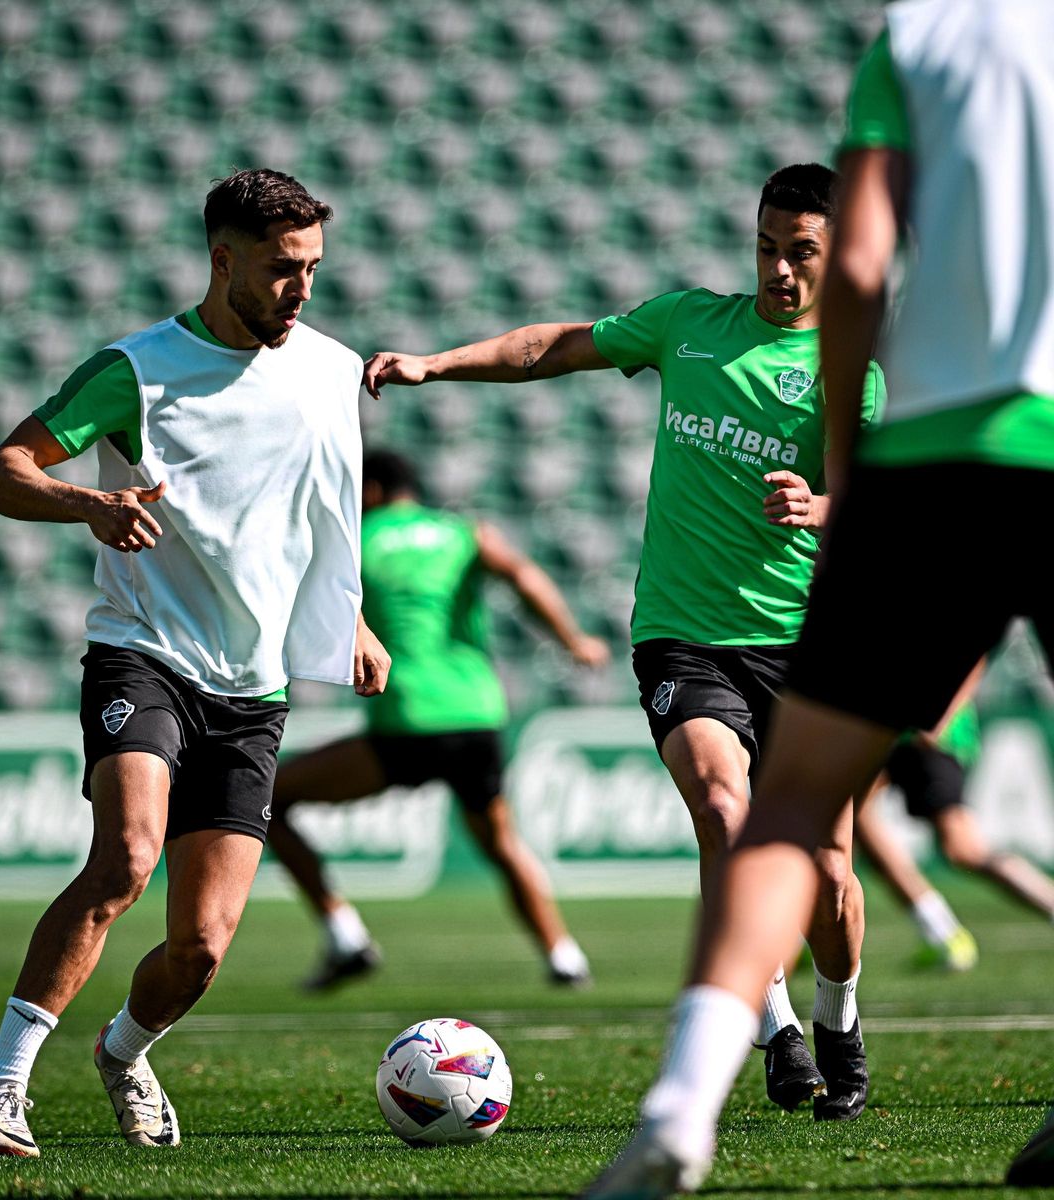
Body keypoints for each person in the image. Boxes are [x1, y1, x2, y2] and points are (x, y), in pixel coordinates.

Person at [586, 3, 1054, 1194]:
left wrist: (853, 473)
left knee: (796, 821)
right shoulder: (702, 323)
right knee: (750, 810)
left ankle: (684, 1107)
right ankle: (778, 1040)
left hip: (949, 453)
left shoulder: (926, 43)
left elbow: (857, 269)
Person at [364, 163, 884, 1118]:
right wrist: (436, 363)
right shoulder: (689, 322)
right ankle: (774, 1030)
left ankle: (839, 1014)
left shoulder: (856, 369)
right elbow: (547, 348)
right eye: (766, 247)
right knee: (724, 813)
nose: (778, 270)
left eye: (800, 252)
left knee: (831, 876)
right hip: (683, 636)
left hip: (809, 643)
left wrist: (823, 505)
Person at [0, 168, 390, 1158]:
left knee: (199, 951)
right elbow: (0, 474)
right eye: (282, 269)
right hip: (143, 653)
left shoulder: (328, 369)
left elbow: (326, 506)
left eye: (315, 267)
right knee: (127, 858)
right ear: (222, 260)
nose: (302, 289)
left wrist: (351, 618)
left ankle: (124, 1052)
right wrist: (92, 505)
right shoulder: (133, 370)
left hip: (253, 683)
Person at [267, 447, 608, 990]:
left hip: (407, 719)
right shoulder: (463, 532)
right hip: (476, 714)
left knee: (273, 800)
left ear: (373, 491)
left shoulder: (356, 542)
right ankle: (563, 956)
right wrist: (574, 641)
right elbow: (523, 574)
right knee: (501, 843)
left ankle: (344, 934)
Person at [858, 696, 1054, 971]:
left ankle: (944, 932)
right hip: (889, 730)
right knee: (851, 814)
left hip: (929, 730)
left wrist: (943, 714)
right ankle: (940, 931)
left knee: (964, 848)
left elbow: (976, 662)